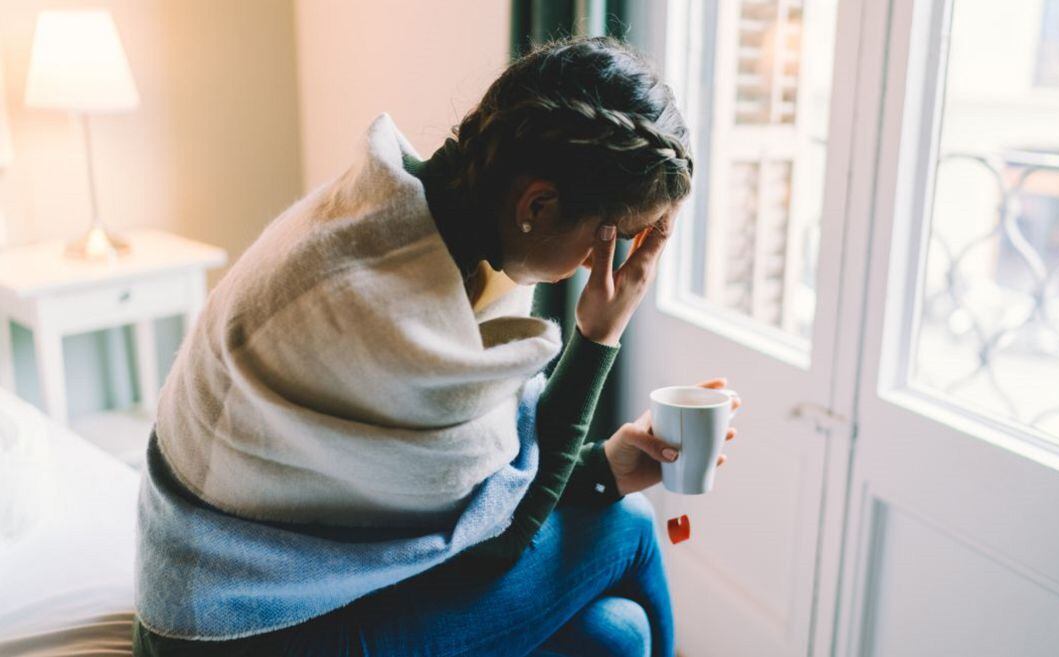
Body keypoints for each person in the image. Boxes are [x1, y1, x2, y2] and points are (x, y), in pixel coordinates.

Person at [132, 35, 738, 657]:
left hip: (270, 575)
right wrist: (599, 335)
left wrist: (601, 468)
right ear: (538, 203)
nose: (599, 268)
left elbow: (479, 487)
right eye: (610, 241)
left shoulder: (412, 217)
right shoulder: (390, 311)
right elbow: (498, 541)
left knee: (616, 637)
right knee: (631, 530)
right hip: (233, 625)